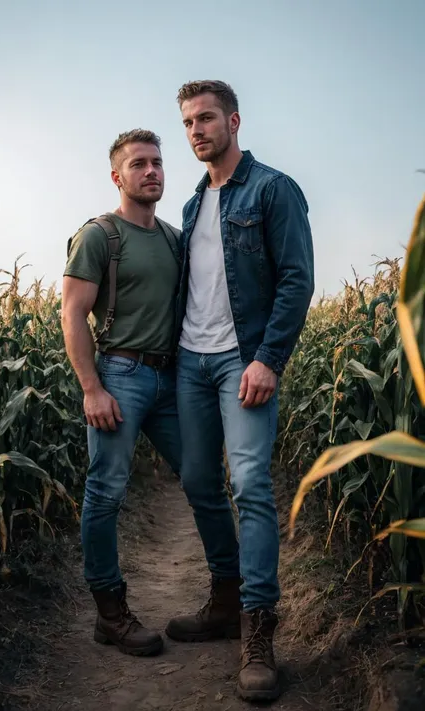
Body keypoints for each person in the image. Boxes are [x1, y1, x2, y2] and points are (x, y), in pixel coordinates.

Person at [165, 81, 315, 701]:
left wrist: (267, 360)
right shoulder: (193, 204)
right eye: (187, 123)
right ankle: (225, 598)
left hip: (243, 363)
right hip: (191, 364)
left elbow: (297, 280)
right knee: (199, 481)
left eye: (206, 119)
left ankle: (259, 626)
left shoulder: (273, 189)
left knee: (250, 484)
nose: (197, 130)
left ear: (233, 120)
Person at [62, 129, 181, 657]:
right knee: (106, 491)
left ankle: (232, 598)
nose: (151, 171)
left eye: (157, 162)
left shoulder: (175, 237)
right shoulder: (99, 235)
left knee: (203, 478)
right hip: (120, 376)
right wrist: (92, 388)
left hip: (172, 379)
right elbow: (72, 313)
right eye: (139, 164)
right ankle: (110, 613)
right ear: (118, 176)